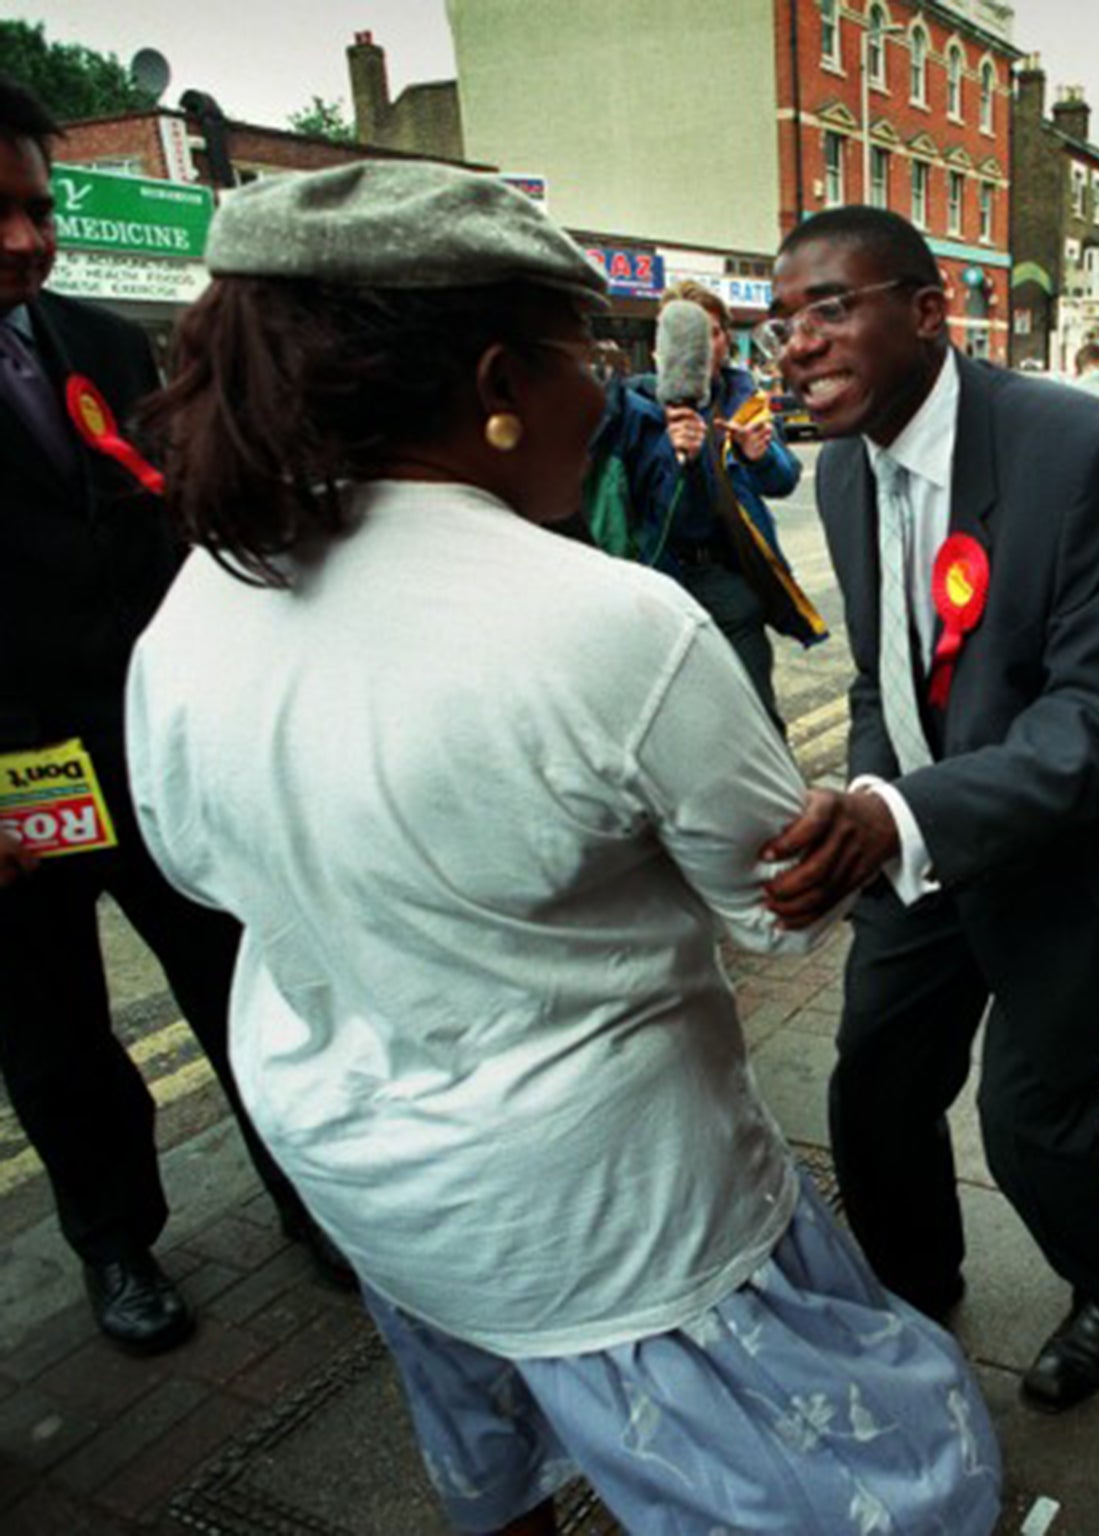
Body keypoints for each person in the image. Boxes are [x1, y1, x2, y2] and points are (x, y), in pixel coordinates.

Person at [125, 163, 1000, 1536]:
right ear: (495, 378)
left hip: (363, 1173)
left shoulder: (201, 598)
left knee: (489, 1441)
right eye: (583, 357)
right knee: (850, 1485)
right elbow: (775, 909)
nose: (608, 397)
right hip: (606, 1206)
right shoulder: (612, 625)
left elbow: (195, 869)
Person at [754, 206, 1099, 1414]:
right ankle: (914, 1300)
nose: (795, 345)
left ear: (927, 311)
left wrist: (901, 817)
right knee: (871, 1085)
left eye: (829, 308)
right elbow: (882, 677)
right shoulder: (835, 471)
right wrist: (876, 804)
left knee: (1030, 1114)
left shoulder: (1073, 448)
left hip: (1085, 848)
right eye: (779, 321)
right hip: (934, 835)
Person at [0, 72, 342, 1357]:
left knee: (239, 978)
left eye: (36, 208)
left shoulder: (96, 342)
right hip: (11, 800)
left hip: (153, 756)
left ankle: (310, 1199)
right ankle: (116, 1245)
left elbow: (174, 523)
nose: (27, 240)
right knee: (56, 1040)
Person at [621, 280, 824, 728]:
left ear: (725, 339)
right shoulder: (635, 407)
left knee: (756, 718)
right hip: (660, 584)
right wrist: (676, 454)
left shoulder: (745, 400)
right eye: (683, 331)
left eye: (710, 330)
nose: (700, 344)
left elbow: (786, 478)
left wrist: (759, 455)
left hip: (728, 580)